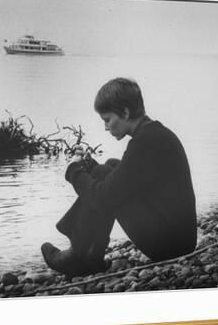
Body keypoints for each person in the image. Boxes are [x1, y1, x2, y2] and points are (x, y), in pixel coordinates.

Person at [41, 77, 197, 277]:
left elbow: (103, 197)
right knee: (111, 166)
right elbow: (126, 181)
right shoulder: (155, 134)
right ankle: (89, 257)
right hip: (178, 239)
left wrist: (73, 171)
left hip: (169, 247)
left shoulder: (145, 143)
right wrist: (87, 164)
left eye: (107, 119)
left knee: (102, 177)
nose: (106, 127)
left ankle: (79, 256)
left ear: (125, 112)